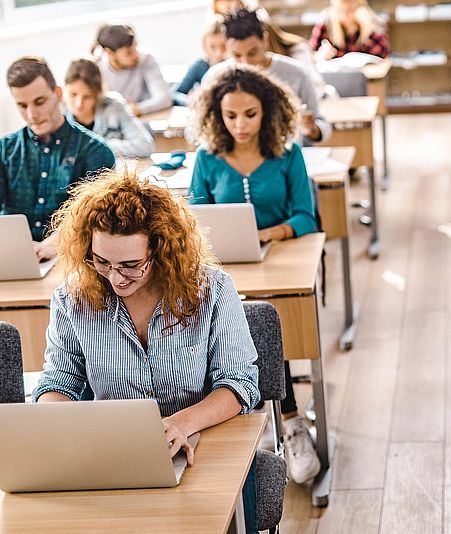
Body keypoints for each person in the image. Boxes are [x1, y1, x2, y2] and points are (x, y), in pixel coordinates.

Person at [31, 170, 262, 532]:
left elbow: (240, 383)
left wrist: (181, 423)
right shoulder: (72, 299)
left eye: (131, 265)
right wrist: (64, 428)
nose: (116, 277)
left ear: (160, 248)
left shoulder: (211, 290)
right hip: (117, 455)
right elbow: (59, 381)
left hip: (206, 444)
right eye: (102, 262)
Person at [189, 64, 321, 484]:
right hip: (222, 268)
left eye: (250, 114)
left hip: (278, 263)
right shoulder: (207, 158)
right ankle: (251, 421)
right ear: (217, 114)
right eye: (230, 115)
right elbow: (193, 220)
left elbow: (306, 215)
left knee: (270, 325)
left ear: (268, 111)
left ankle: (290, 421)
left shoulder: (287, 153)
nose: (240, 124)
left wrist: (270, 232)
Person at [1, 56, 115, 261]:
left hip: (72, 262)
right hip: (12, 260)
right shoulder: (4, 150)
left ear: (58, 94)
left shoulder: (95, 152)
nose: (32, 114)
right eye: (22, 105)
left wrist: (54, 244)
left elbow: (99, 222)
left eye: (39, 102)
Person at [204, 8, 331, 146]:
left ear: (264, 40)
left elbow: (321, 123)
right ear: (227, 48)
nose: (246, 63)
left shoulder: (297, 73)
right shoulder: (215, 77)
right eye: (237, 55)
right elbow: (196, 127)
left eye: (252, 53)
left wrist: (311, 129)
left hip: (284, 156)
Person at [64, 58, 154, 158]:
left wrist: (99, 146)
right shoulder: (58, 113)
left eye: (87, 97)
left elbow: (145, 146)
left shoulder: (114, 105)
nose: (79, 104)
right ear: (63, 89)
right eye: (73, 94)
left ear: (98, 94)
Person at [94, 24, 172, 116]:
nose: (136, 55)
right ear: (109, 52)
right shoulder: (98, 68)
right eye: (128, 53)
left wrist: (138, 109)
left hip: (149, 119)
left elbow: (164, 99)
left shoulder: (146, 58)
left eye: (135, 47)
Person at [310, 0, 390, 60]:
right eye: (341, 11)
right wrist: (319, 56)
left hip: (367, 78)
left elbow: (383, 56)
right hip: (333, 77)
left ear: (361, 8)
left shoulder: (375, 24)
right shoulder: (326, 23)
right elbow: (308, 54)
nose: (346, 16)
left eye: (350, 10)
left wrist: (367, 30)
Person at [173, 19, 228, 107]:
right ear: (205, 46)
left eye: (224, 46)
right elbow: (175, 93)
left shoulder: (235, 65)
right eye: (212, 47)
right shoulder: (199, 66)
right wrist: (191, 102)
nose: (218, 53)